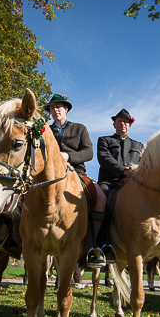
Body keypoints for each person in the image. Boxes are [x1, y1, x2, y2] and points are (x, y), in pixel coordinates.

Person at [43, 93, 113, 268]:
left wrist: (69, 156)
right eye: (52, 108)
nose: (55, 110)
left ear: (66, 109)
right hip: (49, 174)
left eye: (58, 107)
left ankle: (93, 245)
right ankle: (17, 239)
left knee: (102, 198)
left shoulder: (80, 128)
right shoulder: (45, 130)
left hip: (77, 171)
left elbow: (88, 152)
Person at [97, 108, 144, 194]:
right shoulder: (104, 140)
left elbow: (143, 163)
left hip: (134, 181)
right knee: (101, 197)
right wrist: (123, 170)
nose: (123, 124)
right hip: (109, 182)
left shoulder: (139, 145)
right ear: (114, 125)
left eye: (125, 122)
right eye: (119, 121)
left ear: (129, 125)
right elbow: (104, 159)